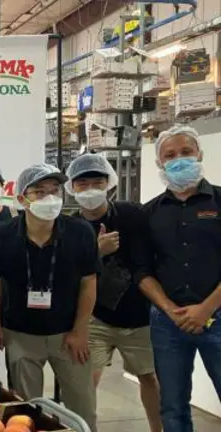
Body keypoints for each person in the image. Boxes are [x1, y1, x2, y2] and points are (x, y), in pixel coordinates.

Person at [0, 163, 98, 431]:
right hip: (20, 334)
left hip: (68, 334)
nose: (49, 198)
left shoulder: (80, 232)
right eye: (39, 192)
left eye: (55, 191)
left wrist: (80, 330)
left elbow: (89, 283)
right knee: (25, 411)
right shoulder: (1, 235)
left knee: (82, 408)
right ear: (22, 199)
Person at [65, 153, 161, 432]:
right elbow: (66, 276)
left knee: (149, 377)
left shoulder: (132, 215)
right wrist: (97, 251)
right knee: (86, 381)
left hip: (138, 316)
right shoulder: (70, 228)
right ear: (72, 187)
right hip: (94, 318)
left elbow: (147, 261)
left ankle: (158, 428)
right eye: (83, 184)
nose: (90, 190)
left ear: (109, 183)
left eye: (97, 182)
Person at [138, 125, 221, 432]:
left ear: (200, 154)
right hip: (167, 324)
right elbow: (142, 271)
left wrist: (206, 308)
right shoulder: (149, 213)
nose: (179, 159)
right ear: (159, 163)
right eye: (170, 155)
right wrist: (170, 310)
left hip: (218, 316)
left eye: (186, 152)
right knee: (172, 407)